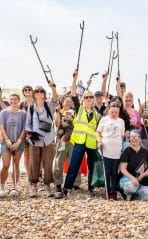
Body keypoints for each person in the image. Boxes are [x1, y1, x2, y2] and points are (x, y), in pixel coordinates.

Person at [59, 70, 102, 198]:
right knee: (73, 166)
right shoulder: (79, 108)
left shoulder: (97, 114)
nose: (89, 99)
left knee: (92, 167)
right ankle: (66, 189)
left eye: (91, 97)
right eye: (86, 97)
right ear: (83, 100)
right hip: (79, 142)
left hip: (91, 143)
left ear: (94, 100)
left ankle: (91, 188)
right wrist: (75, 78)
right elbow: (73, 94)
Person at [24, 82, 58, 197]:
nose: (39, 93)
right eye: (37, 91)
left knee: (48, 163)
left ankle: (48, 186)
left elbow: (55, 98)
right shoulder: (31, 107)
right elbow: (28, 123)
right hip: (35, 139)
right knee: (34, 163)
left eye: (41, 91)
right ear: (34, 94)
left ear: (44, 94)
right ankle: (34, 187)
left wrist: (53, 88)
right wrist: (29, 133)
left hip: (48, 139)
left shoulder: (49, 105)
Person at [0, 91, 26, 197]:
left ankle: (15, 187)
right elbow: (1, 127)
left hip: (19, 142)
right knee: (5, 165)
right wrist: (7, 140)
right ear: (9, 101)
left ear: (19, 101)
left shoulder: (23, 113)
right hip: (6, 142)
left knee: (16, 164)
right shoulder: (4, 112)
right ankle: (1, 188)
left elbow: (24, 128)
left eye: (15, 99)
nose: (13, 101)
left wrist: (18, 141)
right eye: (11, 99)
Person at [52, 94, 81, 197]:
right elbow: (56, 124)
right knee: (58, 162)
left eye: (70, 101)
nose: (68, 103)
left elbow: (65, 124)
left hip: (72, 140)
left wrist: (61, 118)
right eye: (66, 101)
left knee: (73, 162)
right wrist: (58, 114)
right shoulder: (57, 112)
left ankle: (75, 183)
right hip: (61, 140)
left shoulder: (73, 112)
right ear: (62, 102)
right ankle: (58, 183)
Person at [96, 102, 125, 200]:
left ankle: (113, 191)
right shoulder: (104, 120)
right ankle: (107, 191)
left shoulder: (121, 121)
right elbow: (97, 132)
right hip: (106, 149)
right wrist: (99, 141)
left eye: (116, 112)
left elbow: (122, 135)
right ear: (109, 111)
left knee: (114, 172)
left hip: (116, 151)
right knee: (107, 171)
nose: (114, 114)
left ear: (119, 112)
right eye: (112, 112)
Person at [119, 131, 148, 201]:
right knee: (130, 187)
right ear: (129, 139)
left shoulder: (145, 151)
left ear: (140, 139)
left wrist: (144, 174)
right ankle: (129, 193)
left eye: (136, 137)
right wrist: (132, 178)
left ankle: (136, 194)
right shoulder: (126, 151)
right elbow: (122, 168)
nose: (134, 139)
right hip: (128, 179)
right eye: (132, 137)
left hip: (142, 180)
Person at [19, 85, 34, 178]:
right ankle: (29, 174)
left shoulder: (37, 103)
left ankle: (38, 173)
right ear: (23, 93)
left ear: (32, 91)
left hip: (36, 131)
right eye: (25, 90)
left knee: (38, 154)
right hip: (25, 132)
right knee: (26, 154)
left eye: (29, 89)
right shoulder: (21, 105)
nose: (27, 91)